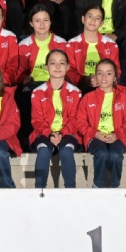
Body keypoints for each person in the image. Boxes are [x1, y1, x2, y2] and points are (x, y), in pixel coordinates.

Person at [30, 49, 82, 188]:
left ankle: (70, 190)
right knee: (43, 150)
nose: (57, 67)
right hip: (44, 133)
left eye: (62, 63)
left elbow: (75, 119)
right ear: (46, 67)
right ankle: (39, 190)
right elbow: (37, 120)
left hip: (68, 134)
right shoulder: (37, 92)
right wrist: (50, 133)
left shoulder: (75, 92)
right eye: (53, 63)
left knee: (66, 149)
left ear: (68, 67)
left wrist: (62, 133)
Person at [16, 3, 65, 148]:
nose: (42, 24)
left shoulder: (61, 43)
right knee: (26, 94)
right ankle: (28, 136)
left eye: (45, 20)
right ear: (31, 23)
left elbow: (67, 69)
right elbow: (19, 71)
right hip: (33, 83)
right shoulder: (23, 45)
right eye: (37, 20)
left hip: (56, 82)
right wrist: (24, 78)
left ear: (50, 21)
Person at [80, 59, 126, 189]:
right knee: (102, 153)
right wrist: (95, 133)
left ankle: (114, 186)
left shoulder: (123, 98)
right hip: (95, 136)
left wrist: (117, 134)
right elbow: (81, 122)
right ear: (95, 77)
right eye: (100, 73)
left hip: (117, 136)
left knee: (115, 155)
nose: (104, 77)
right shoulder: (87, 98)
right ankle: (98, 185)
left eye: (109, 73)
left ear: (115, 78)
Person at [65, 4, 120, 92]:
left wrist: (102, 80)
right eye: (90, 16)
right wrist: (86, 79)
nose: (93, 20)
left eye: (97, 18)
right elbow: (69, 70)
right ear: (83, 19)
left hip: (105, 87)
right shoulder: (72, 44)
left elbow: (116, 69)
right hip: (80, 86)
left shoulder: (111, 45)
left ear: (101, 23)